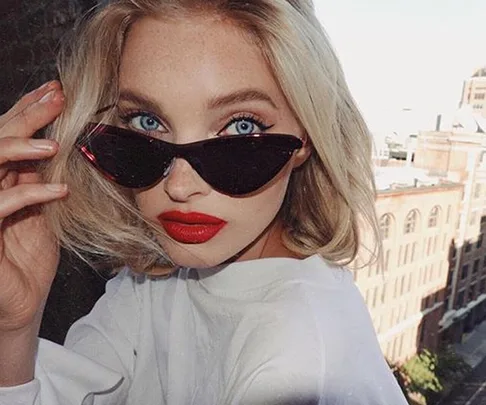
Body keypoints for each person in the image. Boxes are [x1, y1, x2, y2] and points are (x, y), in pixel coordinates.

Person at [0, 0, 408, 404]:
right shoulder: (154, 280)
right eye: (147, 122)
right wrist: (13, 327)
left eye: (240, 127)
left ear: (306, 137)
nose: (179, 186)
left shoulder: (298, 366)